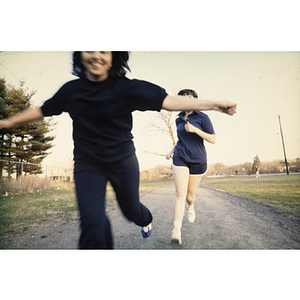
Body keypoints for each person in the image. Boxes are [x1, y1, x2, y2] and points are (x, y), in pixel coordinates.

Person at [0, 52, 237, 249]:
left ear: (114, 58)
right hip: (87, 165)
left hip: (122, 161)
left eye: (104, 51)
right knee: (92, 223)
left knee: (131, 211)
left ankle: (146, 219)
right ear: (80, 56)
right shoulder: (71, 91)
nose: (96, 56)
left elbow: (170, 101)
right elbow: (43, 109)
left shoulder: (127, 89)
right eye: (90, 49)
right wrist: (9, 123)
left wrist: (215, 105)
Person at [166, 89, 216, 245]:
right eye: (182, 98)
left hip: (197, 159)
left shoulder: (203, 117)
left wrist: (196, 130)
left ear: (195, 100)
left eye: (189, 98)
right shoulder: (178, 119)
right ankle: (176, 230)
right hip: (180, 157)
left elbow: (213, 139)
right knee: (180, 193)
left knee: (189, 196)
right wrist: (172, 149)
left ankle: (191, 206)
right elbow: (181, 140)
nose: (186, 101)